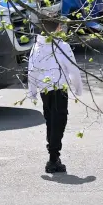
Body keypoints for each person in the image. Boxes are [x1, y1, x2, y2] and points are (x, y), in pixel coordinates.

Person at [27, 17, 84, 174]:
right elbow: (73, 68)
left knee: (50, 120)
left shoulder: (36, 47)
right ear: (59, 28)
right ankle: (53, 157)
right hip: (59, 88)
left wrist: (32, 91)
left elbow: (32, 70)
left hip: (45, 90)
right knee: (59, 121)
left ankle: (52, 151)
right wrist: (78, 88)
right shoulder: (62, 46)